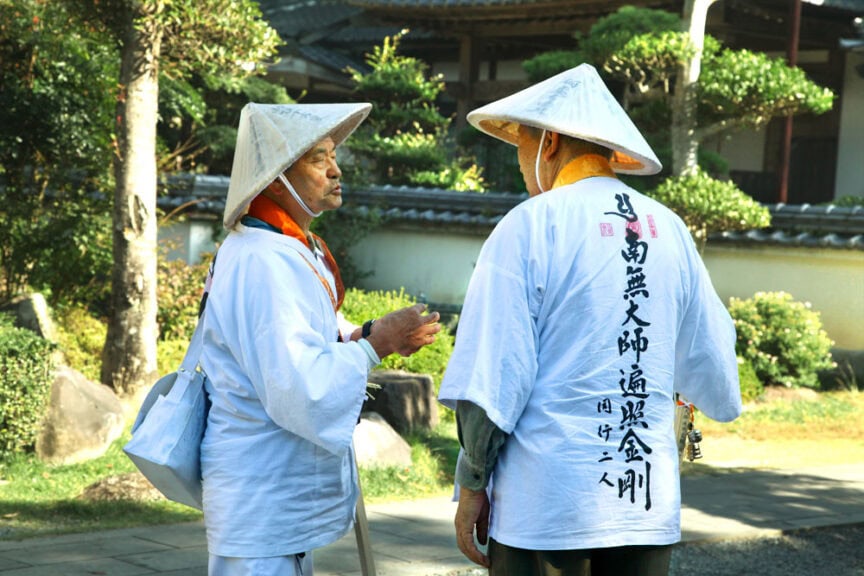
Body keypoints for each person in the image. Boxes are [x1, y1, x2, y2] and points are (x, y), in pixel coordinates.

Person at [438, 64, 742, 576]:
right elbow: (715, 374)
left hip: (547, 503)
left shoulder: (529, 225)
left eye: (521, 146)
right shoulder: (669, 229)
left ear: (549, 142)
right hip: (642, 503)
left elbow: (491, 377)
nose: (519, 164)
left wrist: (471, 484)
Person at [199, 102, 441, 576]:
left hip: (271, 488)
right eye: (317, 158)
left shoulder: (283, 247)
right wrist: (376, 344)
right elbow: (298, 384)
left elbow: (317, 332)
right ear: (276, 176)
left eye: (332, 155)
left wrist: (367, 334)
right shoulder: (265, 260)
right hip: (262, 490)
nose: (335, 169)